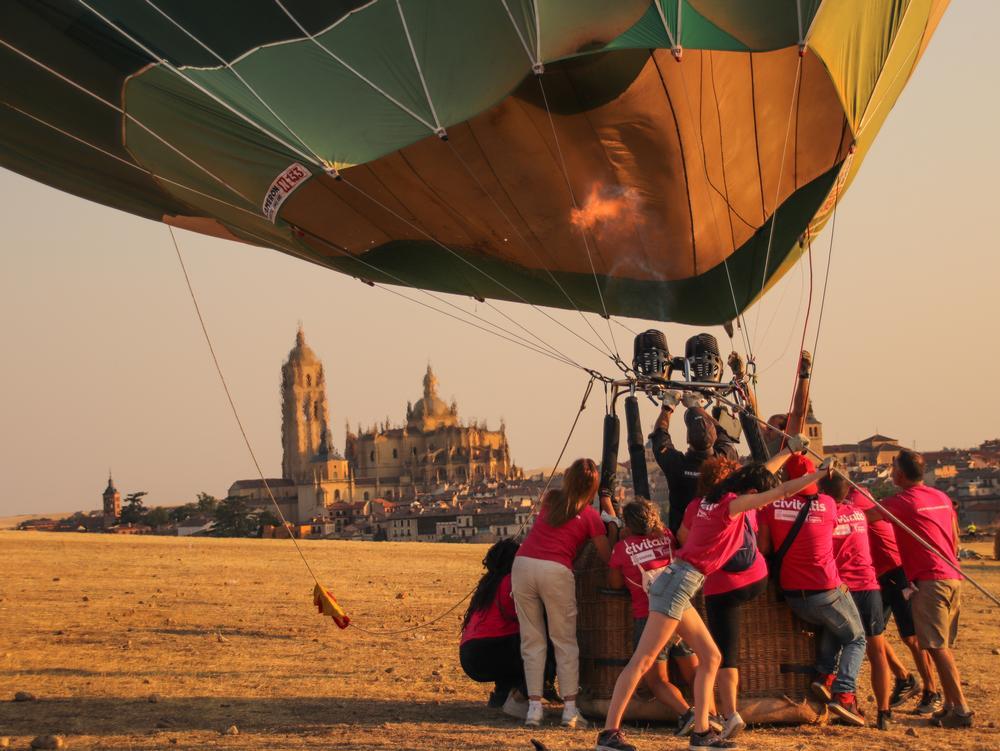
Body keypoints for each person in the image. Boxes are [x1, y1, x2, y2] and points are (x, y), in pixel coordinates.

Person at [596, 456, 829, 751]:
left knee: (711, 657)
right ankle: (609, 734)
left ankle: (702, 732)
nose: (758, 503)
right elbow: (780, 492)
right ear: (750, 492)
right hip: (677, 586)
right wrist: (818, 474)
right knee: (641, 661)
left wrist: (787, 452)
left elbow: (758, 474)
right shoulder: (730, 507)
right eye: (758, 497)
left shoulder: (712, 498)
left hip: (677, 582)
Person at [865, 449, 973, 728]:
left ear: (900, 474)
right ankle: (948, 705)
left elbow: (865, 517)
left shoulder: (900, 502)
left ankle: (960, 709)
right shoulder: (941, 497)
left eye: (892, 468)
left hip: (930, 580)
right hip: (953, 576)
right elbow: (955, 533)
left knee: (936, 647)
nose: (891, 472)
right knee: (943, 645)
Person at [757, 454, 867, 726]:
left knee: (835, 624)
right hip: (825, 589)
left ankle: (824, 675)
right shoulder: (828, 504)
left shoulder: (770, 506)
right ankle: (844, 693)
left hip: (793, 595)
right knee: (856, 638)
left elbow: (764, 548)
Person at [512, 458, 618, 728]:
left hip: (523, 565)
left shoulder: (551, 499)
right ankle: (570, 709)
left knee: (532, 640)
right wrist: (613, 523)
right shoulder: (591, 517)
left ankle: (534, 709)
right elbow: (608, 556)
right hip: (555, 571)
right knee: (564, 641)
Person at [677, 455, 767, 741]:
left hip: (723, 586)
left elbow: (684, 537)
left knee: (725, 654)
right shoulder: (744, 503)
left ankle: (730, 714)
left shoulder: (699, 506)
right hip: (757, 577)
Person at [608, 499, 712, 737]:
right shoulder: (666, 536)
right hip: (680, 611)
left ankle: (688, 715)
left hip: (648, 617)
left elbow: (614, 582)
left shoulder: (623, 548)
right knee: (697, 671)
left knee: (656, 680)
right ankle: (711, 718)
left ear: (628, 523)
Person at [848, 486, 939, 714]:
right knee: (872, 634)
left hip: (896, 571)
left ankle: (932, 691)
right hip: (876, 575)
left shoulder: (856, 497)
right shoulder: (855, 495)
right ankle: (904, 677)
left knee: (911, 637)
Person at [823, 474, 893, 730]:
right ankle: (884, 712)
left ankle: (837, 690)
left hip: (842, 590)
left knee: (842, 644)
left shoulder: (825, 518)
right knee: (877, 652)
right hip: (869, 586)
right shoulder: (859, 513)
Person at [460, 539, 532, 718]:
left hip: (469, 655)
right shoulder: (510, 582)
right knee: (537, 645)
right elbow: (526, 617)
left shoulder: (487, 584)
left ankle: (501, 695)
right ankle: (521, 696)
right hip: (491, 651)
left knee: (508, 644)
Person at [651, 402, 737, 535]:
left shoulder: (677, 464)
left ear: (687, 438)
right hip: (716, 537)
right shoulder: (725, 459)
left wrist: (668, 408)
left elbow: (660, 435)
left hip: (682, 539)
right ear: (714, 437)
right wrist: (699, 409)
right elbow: (724, 435)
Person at [762, 351, 812, 456]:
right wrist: (741, 376)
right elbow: (754, 411)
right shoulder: (765, 442)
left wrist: (803, 375)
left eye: (770, 429)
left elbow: (799, 413)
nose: (765, 432)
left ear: (785, 431)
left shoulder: (789, 443)